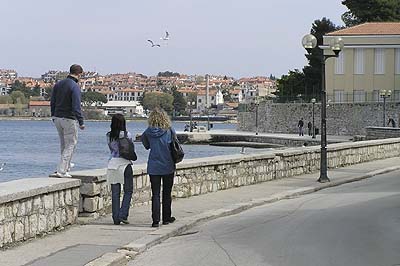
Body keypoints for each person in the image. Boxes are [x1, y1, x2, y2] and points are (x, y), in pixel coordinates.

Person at [141, 108, 176, 228]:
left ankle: (155, 220)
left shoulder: (147, 132)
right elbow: (175, 144)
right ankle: (166, 218)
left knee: (155, 194)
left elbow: (146, 145)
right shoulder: (169, 131)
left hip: (154, 166)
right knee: (167, 193)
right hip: (168, 165)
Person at [51, 64, 85, 178]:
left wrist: (53, 115)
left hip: (57, 117)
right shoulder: (74, 86)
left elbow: (53, 101)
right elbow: (76, 106)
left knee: (63, 144)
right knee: (70, 144)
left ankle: (66, 166)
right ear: (79, 74)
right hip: (69, 118)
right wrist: (81, 121)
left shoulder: (59, 84)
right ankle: (62, 170)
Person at [106, 114, 134, 225]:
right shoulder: (127, 135)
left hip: (113, 164)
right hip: (125, 163)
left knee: (115, 192)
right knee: (128, 190)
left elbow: (110, 149)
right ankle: (123, 214)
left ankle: (115, 217)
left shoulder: (108, 135)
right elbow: (130, 148)